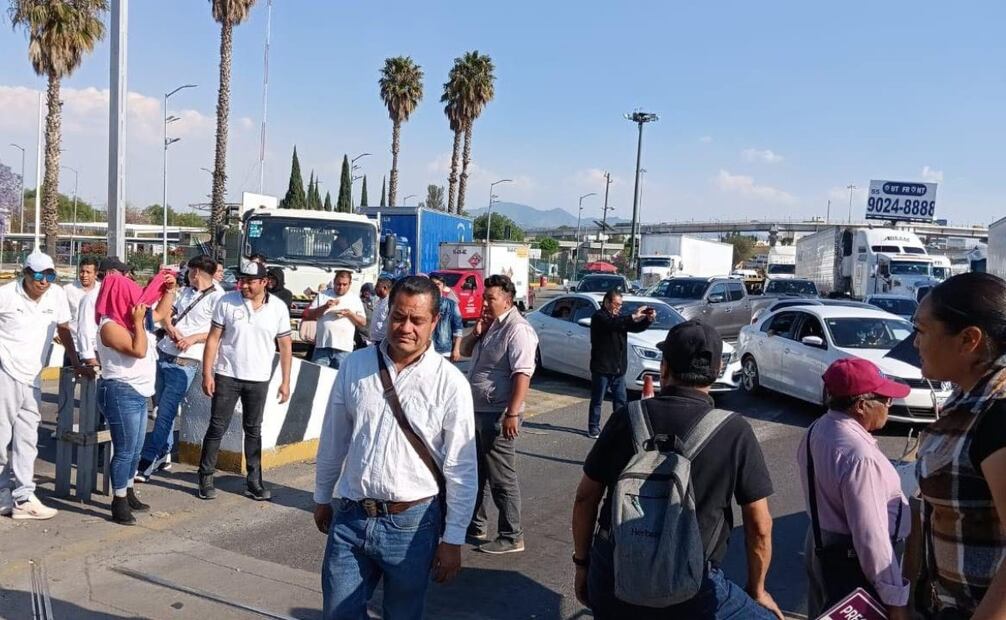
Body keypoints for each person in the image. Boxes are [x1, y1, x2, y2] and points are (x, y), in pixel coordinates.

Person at [572, 320, 783, 619]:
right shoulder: (735, 431)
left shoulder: (626, 418)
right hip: (691, 590)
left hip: (614, 578)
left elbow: (585, 498)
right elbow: (760, 527)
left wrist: (583, 565)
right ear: (717, 370)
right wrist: (757, 589)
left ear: (664, 367)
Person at [313, 275, 477, 620]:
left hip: (412, 526)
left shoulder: (451, 384)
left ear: (434, 321)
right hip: (351, 516)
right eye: (398, 317)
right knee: (337, 614)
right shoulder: (355, 366)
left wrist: (453, 540)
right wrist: (322, 496)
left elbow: (461, 469)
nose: (405, 327)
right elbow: (334, 439)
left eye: (416, 320)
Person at [913, 272, 1006, 619]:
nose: (914, 343)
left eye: (922, 331)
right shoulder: (967, 398)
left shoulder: (999, 411)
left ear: (968, 340)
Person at [798, 358, 912, 619]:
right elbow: (871, 537)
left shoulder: (817, 429)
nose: (889, 405)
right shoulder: (860, 456)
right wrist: (895, 599)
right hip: (855, 563)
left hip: (821, 548)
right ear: (861, 405)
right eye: (885, 400)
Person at [198, 260, 292, 501]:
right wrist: (207, 373)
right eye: (243, 280)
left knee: (253, 430)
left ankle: (254, 481)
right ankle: (206, 476)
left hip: (259, 378)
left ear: (264, 282)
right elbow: (213, 339)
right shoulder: (226, 301)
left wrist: (285, 381)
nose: (245, 285)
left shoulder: (278, 308)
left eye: (251, 281)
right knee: (217, 426)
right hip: (227, 374)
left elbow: (285, 345)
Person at [0, 252, 82, 520]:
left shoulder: (56, 295)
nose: (43, 281)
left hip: (33, 377)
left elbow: (63, 329)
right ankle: (2, 493)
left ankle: (23, 497)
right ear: (25, 273)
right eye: (38, 275)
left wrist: (76, 361)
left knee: (28, 438)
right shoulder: (6, 295)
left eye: (49, 275)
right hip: (5, 373)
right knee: (1, 439)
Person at [460, 274, 538, 554]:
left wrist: (512, 413)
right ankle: (476, 524)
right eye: (484, 297)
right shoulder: (491, 326)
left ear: (507, 300)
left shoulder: (518, 330)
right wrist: (477, 332)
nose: (485, 303)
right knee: (477, 473)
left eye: (490, 298)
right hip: (477, 412)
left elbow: (522, 374)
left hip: (498, 413)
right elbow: (462, 352)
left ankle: (511, 535)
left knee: (501, 477)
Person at [94, 272, 176, 524]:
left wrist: (169, 290)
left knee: (136, 448)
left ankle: (128, 490)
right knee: (125, 450)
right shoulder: (110, 325)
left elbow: (161, 314)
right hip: (120, 391)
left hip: (139, 391)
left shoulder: (132, 318)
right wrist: (139, 322)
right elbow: (138, 351)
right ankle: (118, 501)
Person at [136, 255, 225, 482]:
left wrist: (194, 338)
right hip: (165, 351)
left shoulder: (219, 298)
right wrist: (170, 327)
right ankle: (163, 451)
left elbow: (220, 332)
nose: (187, 274)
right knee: (158, 409)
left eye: (189, 270)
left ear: (196, 272)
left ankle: (148, 459)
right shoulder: (185, 292)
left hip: (187, 360)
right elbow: (166, 313)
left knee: (166, 410)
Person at [587, 289, 654, 437]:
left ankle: (619, 428)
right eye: (616, 304)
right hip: (602, 367)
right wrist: (633, 316)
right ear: (607, 302)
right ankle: (593, 427)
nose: (618, 308)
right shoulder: (599, 317)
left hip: (618, 368)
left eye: (620, 305)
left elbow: (634, 327)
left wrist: (647, 320)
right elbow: (613, 324)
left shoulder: (619, 319)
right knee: (597, 399)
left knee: (621, 401)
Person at [302, 270, 366, 369]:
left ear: (350, 284)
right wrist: (325, 307)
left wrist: (350, 314)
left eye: (344, 284)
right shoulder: (323, 295)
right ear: (334, 282)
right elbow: (309, 315)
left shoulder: (354, 299)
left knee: (340, 380)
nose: (341, 287)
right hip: (322, 346)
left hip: (343, 348)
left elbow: (363, 322)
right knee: (317, 378)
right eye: (338, 284)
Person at [76, 256, 129, 366]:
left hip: (116, 353)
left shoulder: (118, 295)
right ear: (110, 274)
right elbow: (84, 329)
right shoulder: (91, 298)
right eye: (122, 273)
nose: (126, 276)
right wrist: (90, 359)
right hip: (98, 354)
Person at [63, 256, 99, 360]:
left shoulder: (101, 290)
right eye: (82, 271)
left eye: (88, 272)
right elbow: (57, 312)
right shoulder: (68, 289)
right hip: (74, 346)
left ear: (96, 274)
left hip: (95, 347)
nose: (84, 275)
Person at [430, 273, 463, 361]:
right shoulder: (423, 303)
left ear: (443, 286)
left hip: (444, 350)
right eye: (433, 284)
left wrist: (456, 349)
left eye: (438, 284)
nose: (435, 286)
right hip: (425, 349)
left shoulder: (451, 304)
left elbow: (458, 328)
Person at [369, 277, 393, 344]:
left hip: (383, 341)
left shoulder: (390, 302)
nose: (375, 289)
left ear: (384, 288)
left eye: (377, 286)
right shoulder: (378, 301)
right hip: (374, 340)